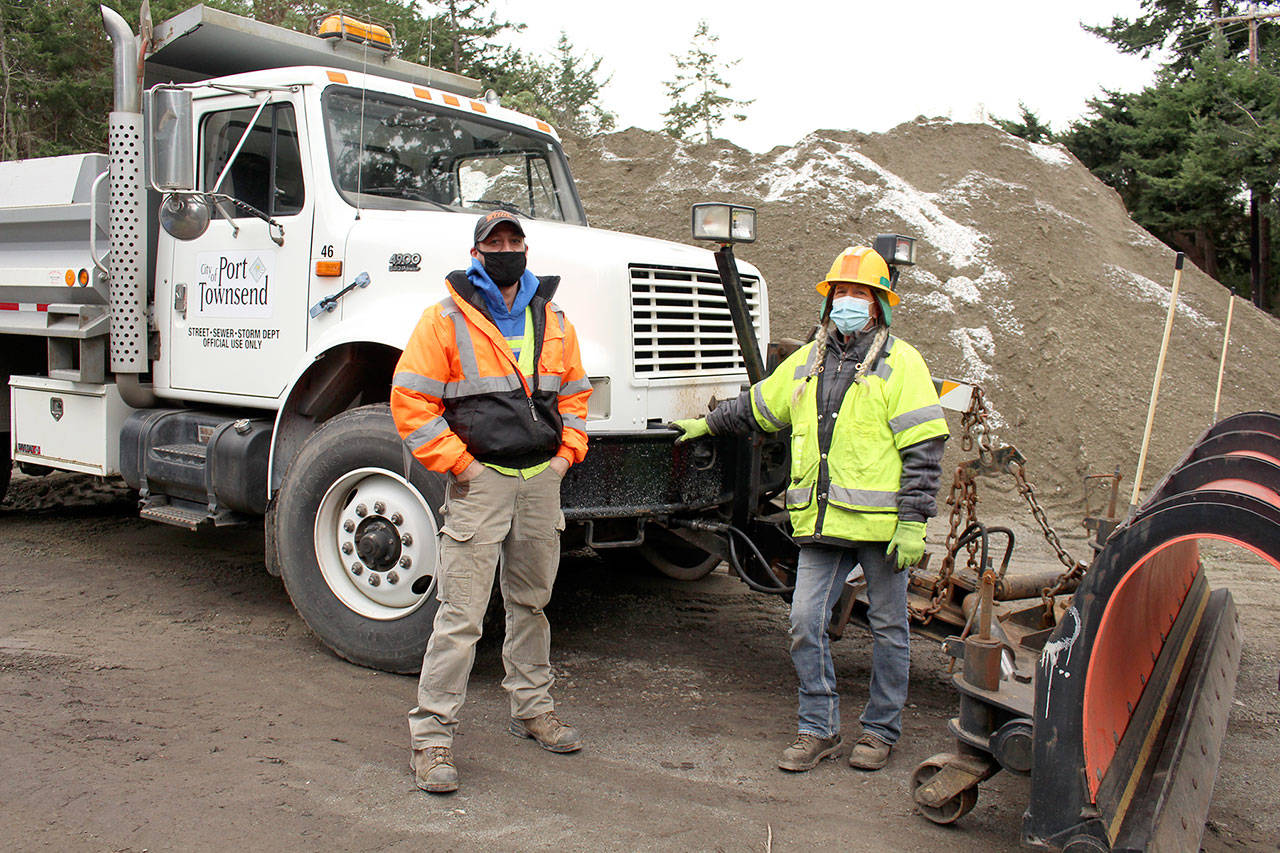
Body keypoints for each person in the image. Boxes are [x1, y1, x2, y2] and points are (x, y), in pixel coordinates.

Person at [673, 246, 948, 773]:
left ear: (879, 306)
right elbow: (759, 407)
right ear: (828, 304)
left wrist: (913, 521)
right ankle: (817, 728)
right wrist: (707, 425)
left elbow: (924, 448)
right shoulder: (808, 361)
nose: (848, 302)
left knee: (891, 629)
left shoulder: (901, 364)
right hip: (822, 525)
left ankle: (879, 732)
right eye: (840, 293)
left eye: (859, 294)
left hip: (882, 529)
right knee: (803, 622)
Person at [390, 210, 591, 794]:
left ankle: (531, 709)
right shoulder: (444, 318)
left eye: (514, 240)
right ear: (476, 252)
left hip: (539, 482)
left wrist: (564, 457)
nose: (506, 249)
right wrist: (463, 466)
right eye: (494, 242)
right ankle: (431, 742)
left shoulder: (553, 317)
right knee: (461, 616)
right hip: (481, 485)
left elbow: (577, 392)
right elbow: (410, 402)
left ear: (526, 247)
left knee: (531, 603)